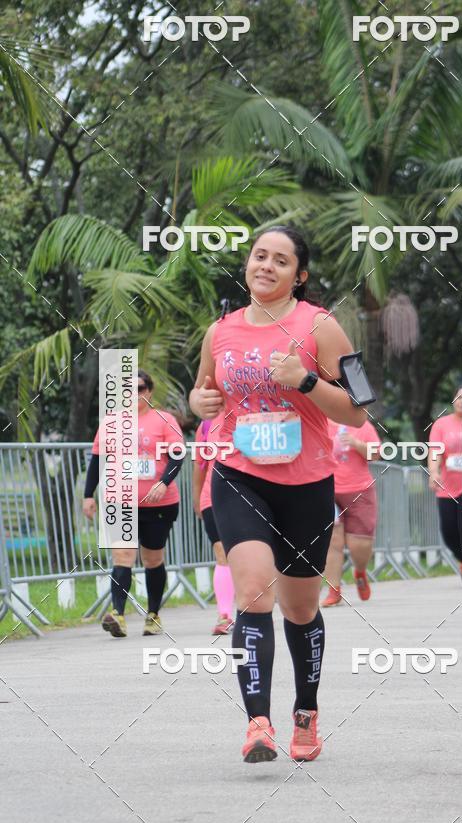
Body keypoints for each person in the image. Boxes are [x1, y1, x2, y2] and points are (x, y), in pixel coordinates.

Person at [189, 225, 367, 764]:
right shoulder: (220, 331)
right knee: (252, 594)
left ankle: (305, 712)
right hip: (238, 475)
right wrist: (199, 404)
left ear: (299, 275)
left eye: (280, 260)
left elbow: (359, 410)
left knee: (299, 608)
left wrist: (305, 381)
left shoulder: (321, 326)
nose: (266, 265)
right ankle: (257, 723)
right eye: (259, 256)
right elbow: (204, 391)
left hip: (306, 484)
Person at [83, 370, 184, 637]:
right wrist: (88, 495)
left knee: (153, 559)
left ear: (149, 391)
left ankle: (153, 614)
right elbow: (97, 460)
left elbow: (177, 456)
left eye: (138, 388)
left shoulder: (165, 420)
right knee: (122, 555)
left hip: (159, 504)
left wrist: (163, 483)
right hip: (120, 501)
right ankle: (118, 614)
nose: (132, 394)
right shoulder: (110, 422)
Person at [321, 418, 381, 606]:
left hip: (359, 489)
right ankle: (334, 590)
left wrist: (356, 443)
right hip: (327, 489)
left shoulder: (361, 424)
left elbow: (376, 454)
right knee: (333, 539)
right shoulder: (319, 422)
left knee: (359, 545)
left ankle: (360, 571)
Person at [428, 386, 462, 588]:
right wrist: (434, 472)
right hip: (448, 487)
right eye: (459, 398)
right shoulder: (441, 424)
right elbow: (435, 451)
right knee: (449, 531)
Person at [192, 416, 235, 635]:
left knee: (250, 556)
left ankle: (254, 610)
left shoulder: (254, 413)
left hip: (249, 497)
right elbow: (200, 466)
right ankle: (224, 615)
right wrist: (197, 499)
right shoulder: (207, 425)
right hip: (212, 497)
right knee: (221, 553)